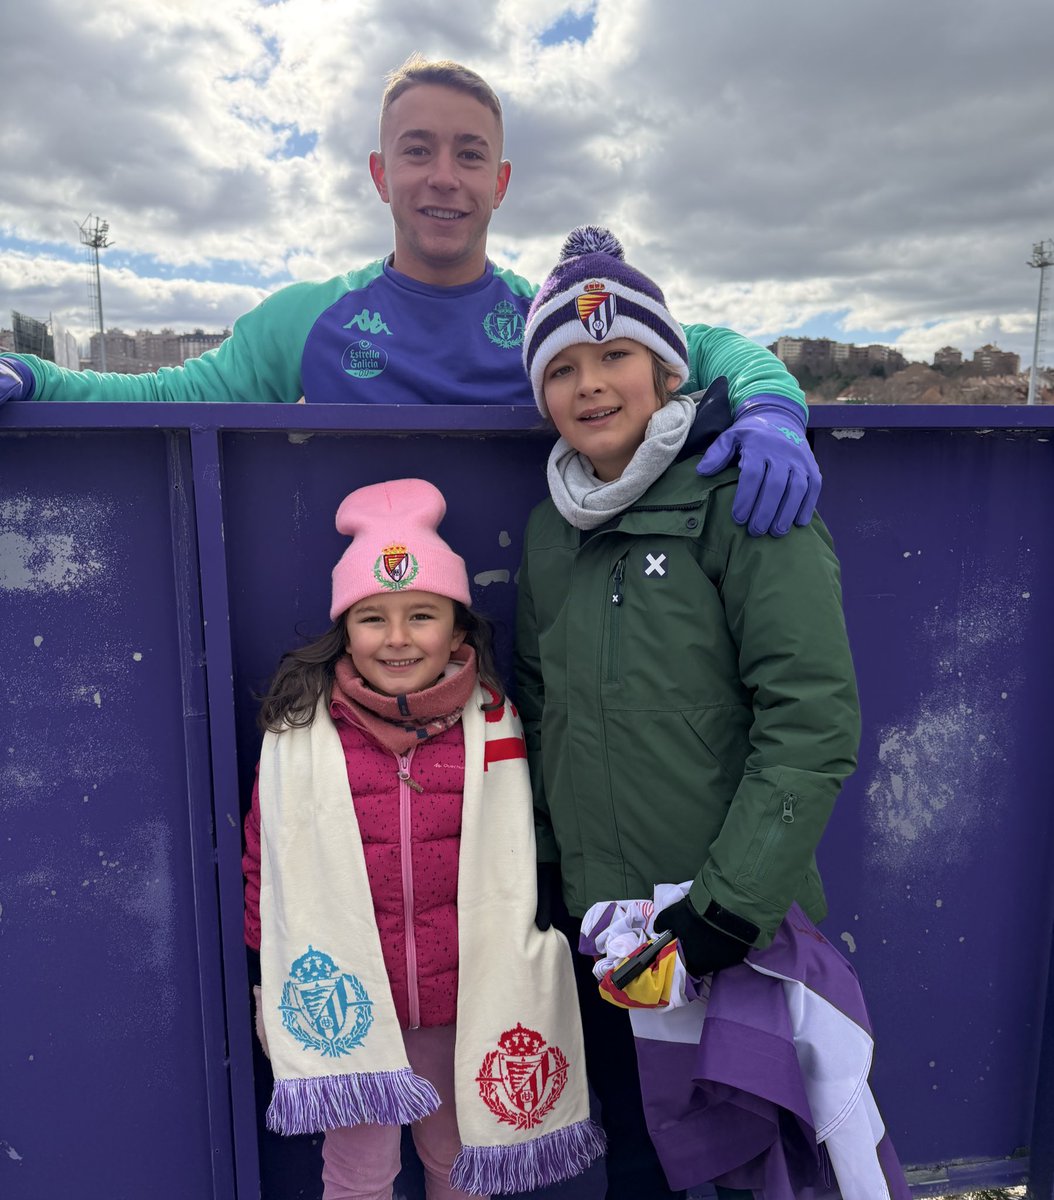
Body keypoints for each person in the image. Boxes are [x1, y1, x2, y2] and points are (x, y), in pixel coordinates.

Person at [0, 55, 818, 539]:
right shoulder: (309, 316)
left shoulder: (550, 319)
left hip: (532, 646)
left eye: (469, 156)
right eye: (417, 151)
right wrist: (38, 378)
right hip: (381, 649)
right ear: (380, 174)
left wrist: (772, 408)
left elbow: (703, 345)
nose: (442, 177)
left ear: (499, 184)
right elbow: (167, 395)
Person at [513, 227, 883, 1199]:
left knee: (751, 1166)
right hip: (613, 936)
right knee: (640, 1163)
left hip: (730, 930)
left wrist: (727, 908)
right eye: (562, 367)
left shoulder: (742, 493)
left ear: (666, 368)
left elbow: (810, 718)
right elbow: (544, 709)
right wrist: (555, 877)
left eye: (614, 354)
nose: (590, 384)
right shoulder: (554, 527)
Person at [241, 477, 604, 1200]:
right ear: (345, 629)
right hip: (348, 1004)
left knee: (456, 1161)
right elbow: (265, 861)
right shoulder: (303, 732)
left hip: (465, 1002)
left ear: (458, 628)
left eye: (421, 615)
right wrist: (266, 974)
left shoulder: (497, 726)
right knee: (358, 1171)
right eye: (372, 617)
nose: (398, 638)